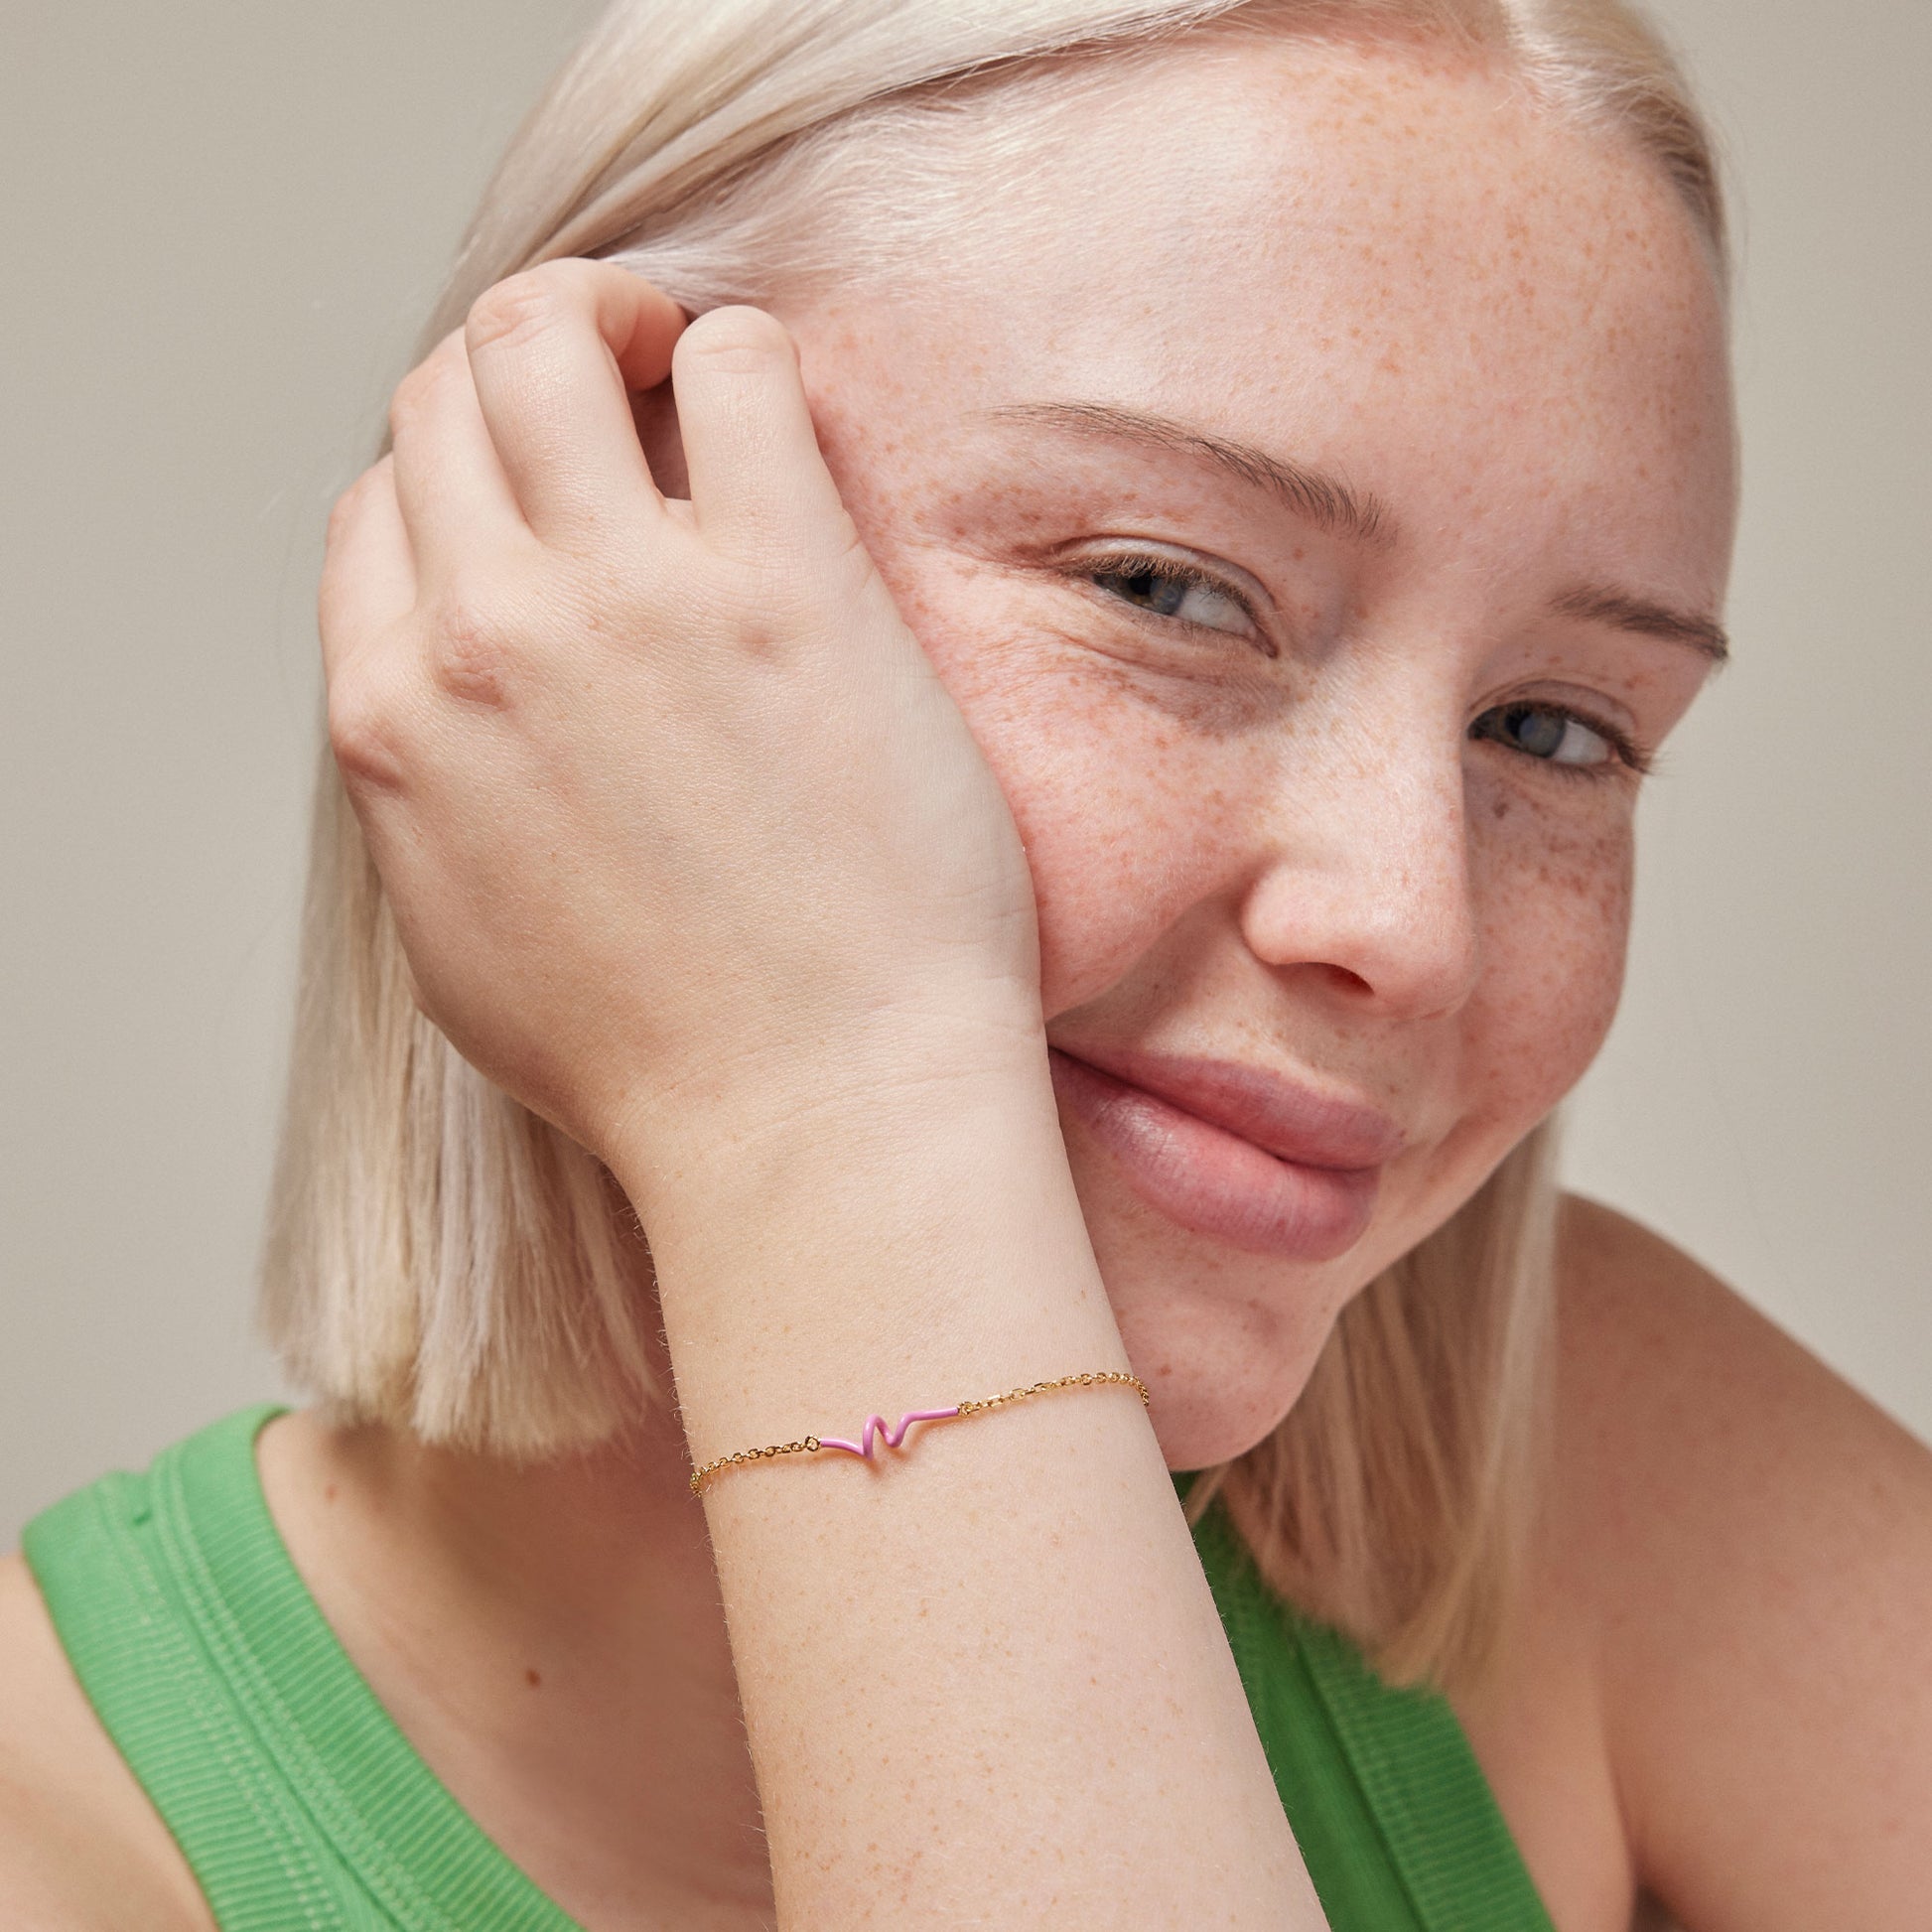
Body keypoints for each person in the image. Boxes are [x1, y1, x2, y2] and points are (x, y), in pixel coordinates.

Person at [3, 0, 1928, 1925]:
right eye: (1167, 588)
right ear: (561, 542)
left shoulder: (1610, 1486)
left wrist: (823, 1120)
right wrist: (832, 1100)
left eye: (1557, 730)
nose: (1406, 924)